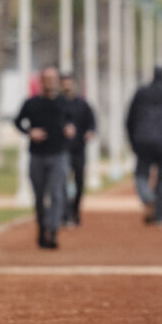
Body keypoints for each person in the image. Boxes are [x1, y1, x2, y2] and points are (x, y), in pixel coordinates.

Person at [14, 66, 75, 249]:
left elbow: (72, 122)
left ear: (57, 81)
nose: (50, 82)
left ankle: (53, 231)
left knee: (56, 194)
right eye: (46, 78)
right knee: (39, 196)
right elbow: (18, 122)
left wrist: (70, 129)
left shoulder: (65, 103)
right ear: (41, 81)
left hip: (58, 154)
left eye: (53, 78)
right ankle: (42, 228)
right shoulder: (32, 103)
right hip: (37, 155)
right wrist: (30, 132)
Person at [126, 66, 162, 226]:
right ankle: (160, 216)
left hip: (143, 142)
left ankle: (148, 198)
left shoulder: (141, 94)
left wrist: (133, 141)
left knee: (141, 175)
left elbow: (130, 119)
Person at [60, 73, 96, 227]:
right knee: (62, 182)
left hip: (79, 149)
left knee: (79, 182)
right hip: (61, 149)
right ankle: (65, 213)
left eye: (69, 83)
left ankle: (75, 211)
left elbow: (92, 123)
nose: (67, 86)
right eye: (64, 83)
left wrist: (90, 132)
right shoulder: (57, 104)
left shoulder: (82, 104)